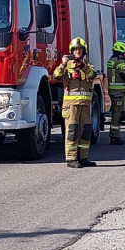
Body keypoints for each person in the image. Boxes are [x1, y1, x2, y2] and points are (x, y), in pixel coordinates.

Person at [53, 37, 97, 168]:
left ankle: (83, 157)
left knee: (85, 131)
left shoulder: (88, 66)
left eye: (80, 49)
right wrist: (63, 64)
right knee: (72, 131)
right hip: (71, 106)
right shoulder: (67, 66)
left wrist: (82, 66)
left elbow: (93, 75)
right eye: (75, 49)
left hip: (85, 106)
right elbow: (56, 76)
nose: (77, 51)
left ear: (84, 51)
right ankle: (71, 159)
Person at [106, 41, 125, 145]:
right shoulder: (120, 62)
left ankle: (114, 135)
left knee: (117, 113)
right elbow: (124, 75)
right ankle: (115, 136)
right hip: (119, 92)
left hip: (113, 91)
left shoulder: (111, 60)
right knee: (117, 115)